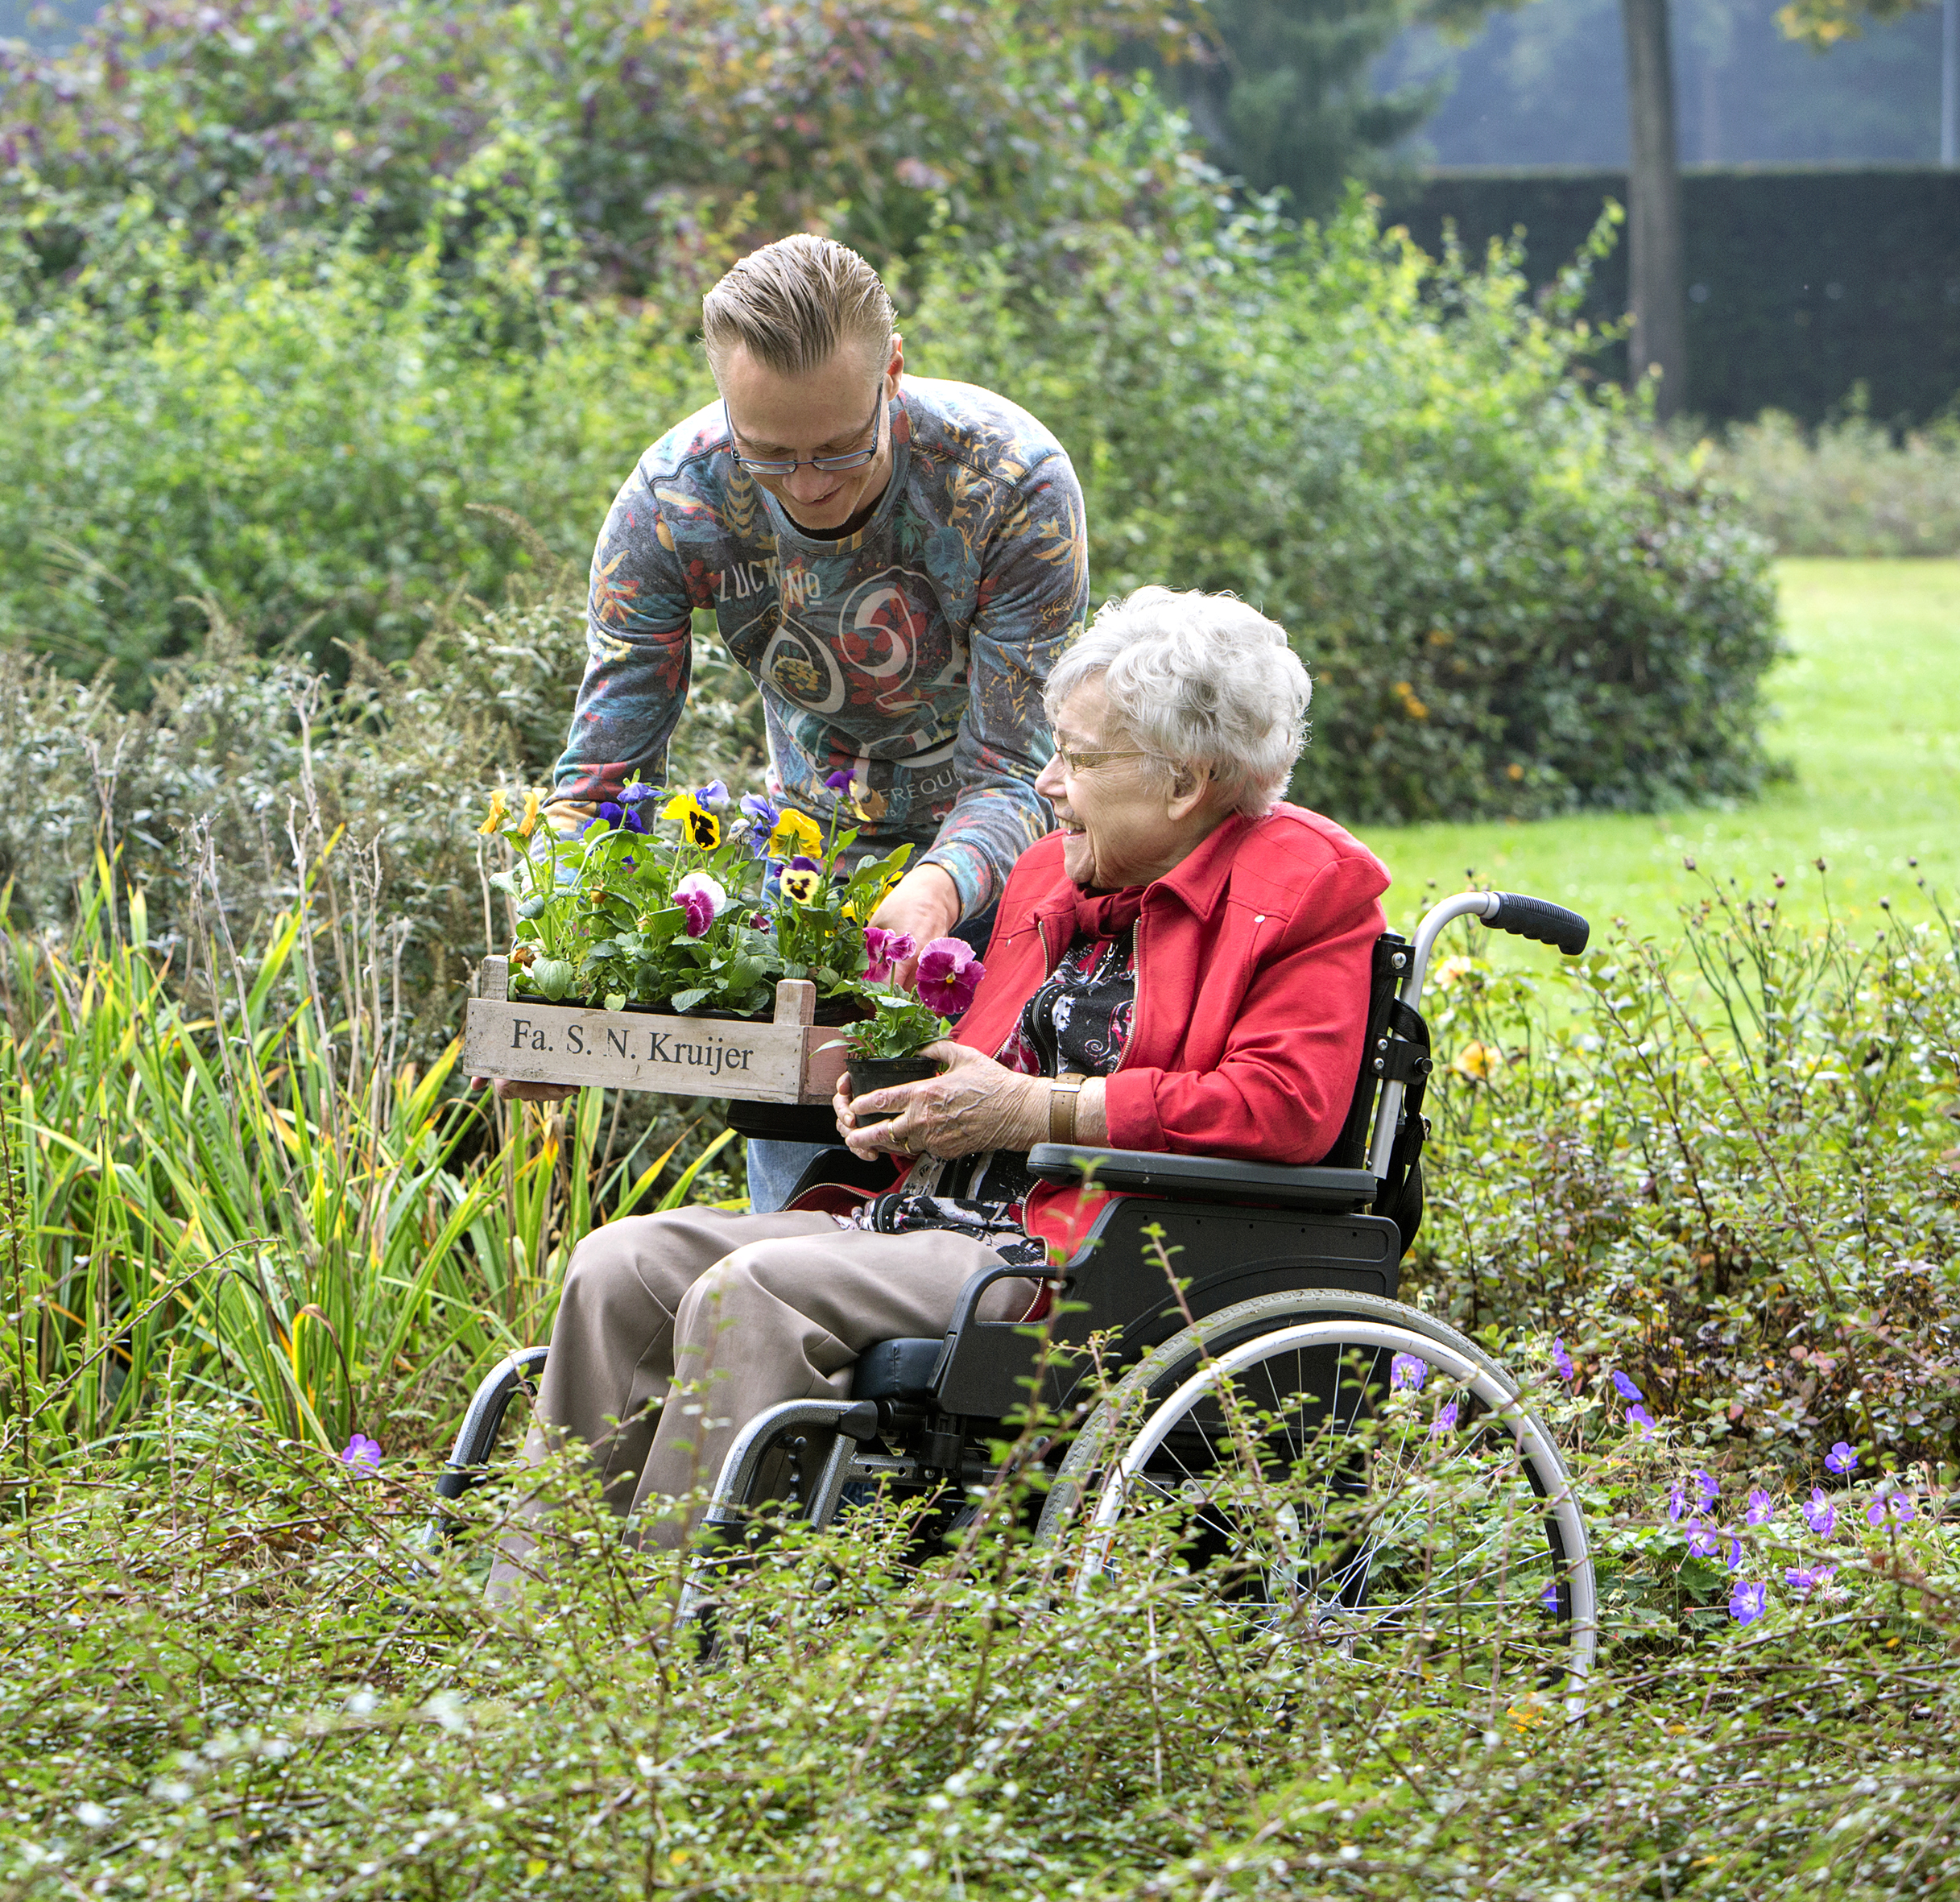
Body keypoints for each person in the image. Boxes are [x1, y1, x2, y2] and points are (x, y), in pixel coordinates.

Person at [499, 588, 1390, 1567]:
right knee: (619, 1265)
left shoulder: (1306, 888)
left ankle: (689, 1659)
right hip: (918, 1220)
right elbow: (983, 1048)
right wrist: (897, 1099)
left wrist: (1027, 1111)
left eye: (1080, 759)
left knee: (757, 1288)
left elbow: (1284, 1107)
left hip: (1074, 1255)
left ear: (1186, 781)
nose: (1047, 782)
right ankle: (544, 1635)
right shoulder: (1053, 871)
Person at [531, 233, 1089, 1213]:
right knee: (798, 1222)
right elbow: (601, 783)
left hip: (1009, 882)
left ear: (894, 373)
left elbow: (1014, 773)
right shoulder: (672, 502)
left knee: (985, 1225)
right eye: (770, 455)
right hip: (807, 877)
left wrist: (928, 895)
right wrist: (551, 977)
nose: (808, 485)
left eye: (838, 446)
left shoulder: (1009, 484)